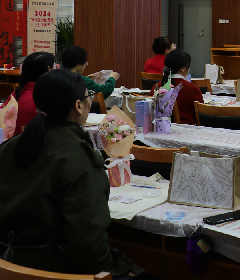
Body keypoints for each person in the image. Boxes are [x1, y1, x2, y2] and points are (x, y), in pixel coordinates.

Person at [0, 69, 133, 276]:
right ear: (78, 106)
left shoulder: (10, 147)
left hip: (8, 264)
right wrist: (113, 271)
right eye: (89, 96)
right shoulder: (79, 157)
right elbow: (88, 243)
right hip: (54, 270)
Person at [1, 52, 55, 136]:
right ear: (49, 70)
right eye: (55, 68)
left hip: (14, 141)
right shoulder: (50, 96)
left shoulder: (16, 94)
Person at [149, 50, 202, 125]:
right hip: (188, 130)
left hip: (160, 128)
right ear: (182, 69)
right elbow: (200, 116)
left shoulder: (156, 87)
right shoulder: (193, 89)